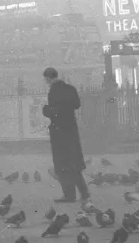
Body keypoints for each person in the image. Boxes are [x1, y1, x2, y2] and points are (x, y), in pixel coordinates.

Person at [41, 67, 90, 203]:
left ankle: (69, 195)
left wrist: (45, 110)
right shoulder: (70, 88)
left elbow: (55, 112)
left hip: (59, 132)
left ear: (48, 78)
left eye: (46, 80)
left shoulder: (54, 91)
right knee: (74, 164)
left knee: (62, 165)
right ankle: (84, 193)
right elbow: (77, 105)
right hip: (71, 130)